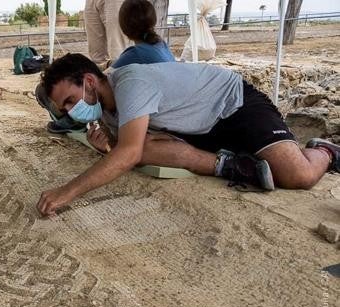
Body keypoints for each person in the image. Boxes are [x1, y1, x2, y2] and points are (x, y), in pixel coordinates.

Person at [36, 53, 339, 216]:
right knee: (139, 149)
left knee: (297, 175)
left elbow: (126, 155)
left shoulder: (130, 84)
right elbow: (130, 149)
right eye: (64, 108)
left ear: (89, 81)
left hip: (233, 106)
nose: (70, 111)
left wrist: (67, 191)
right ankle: (232, 166)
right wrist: (109, 146)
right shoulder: (106, 107)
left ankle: (325, 150)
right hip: (198, 128)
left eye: (70, 101)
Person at [38, 0, 174, 134]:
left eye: (69, 103)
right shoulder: (160, 45)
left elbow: (103, 76)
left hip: (146, 114)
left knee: (43, 90)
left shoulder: (133, 56)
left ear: (123, 29)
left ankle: (72, 123)